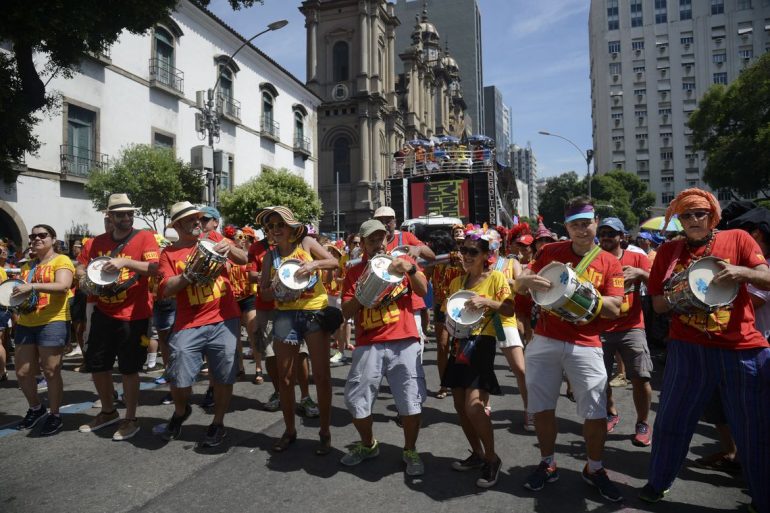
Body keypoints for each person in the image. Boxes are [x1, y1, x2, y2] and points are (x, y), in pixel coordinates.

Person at [640, 189, 770, 513]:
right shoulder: (669, 252)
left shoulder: (738, 239)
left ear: (712, 215)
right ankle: (658, 483)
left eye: (700, 213)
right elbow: (656, 304)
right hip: (688, 349)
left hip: (741, 348)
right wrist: (677, 297)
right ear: (679, 220)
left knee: (753, 429)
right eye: (687, 215)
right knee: (670, 420)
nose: (694, 219)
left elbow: (766, 277)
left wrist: (744, 273)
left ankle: (764, 498)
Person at [515, 196, 624, 502]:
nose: (581, 230)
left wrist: (581, 297)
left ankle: (594, 468)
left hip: (586, 343)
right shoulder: (550, 251)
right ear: (566, 226)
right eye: (575, 225)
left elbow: (616, 308)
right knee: (542, 407)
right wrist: (523, 282)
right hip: (546, 339)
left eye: (586, 224)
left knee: (595, 411)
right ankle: (548, 463)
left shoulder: (609, 261)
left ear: (596, 223)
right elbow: (525, 285)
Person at [340, 219, 429, 475]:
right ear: (363, 244)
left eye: (381, 239)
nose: (378, 244)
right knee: (356, 400)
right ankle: (368, 445)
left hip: (404, 339)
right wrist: (363, 293)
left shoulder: (405, 263)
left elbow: (423, 291)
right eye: (372, 240)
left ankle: (410, 450)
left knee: (410, 401)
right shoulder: (354, 272)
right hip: (369, 342)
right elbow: (345, 312)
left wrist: (409, 270)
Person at [155, 202, 242, 447]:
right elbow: (165, 290)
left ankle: (218, 423)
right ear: (178, 225)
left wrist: (230, 248)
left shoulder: (214, 239)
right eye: (192, 219)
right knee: (179, 377)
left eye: (199, 219)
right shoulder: (168, 254)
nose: (198, 223)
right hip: (189, 323)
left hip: (224, 318)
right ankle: (182, 411)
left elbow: (244, 259)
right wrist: (187, 275)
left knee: (224, 376)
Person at [76, 193, 160, 441]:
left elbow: (155, 269)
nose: (126, 217)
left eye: (129, 213)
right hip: (103, 311)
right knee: (97, 365)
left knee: (129, 368)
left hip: (135, 315)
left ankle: (131, 418)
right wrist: (82, 275)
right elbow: (81, 264)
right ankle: (108, 411)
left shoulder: (145, 237)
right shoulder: (95, 242)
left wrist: (125, 261)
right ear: (109, 216)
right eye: (120, 214)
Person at [257, 206, 339, 454]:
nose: (275, 229)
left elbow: (333, 261)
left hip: (314, 311)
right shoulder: (270, 256)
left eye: (279, 224)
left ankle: (324, 432)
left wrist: (313, 266)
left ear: (291, 227)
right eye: (270, 226)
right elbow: (263, 291)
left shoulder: (305, 242)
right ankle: (289, 430)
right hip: (285, 315)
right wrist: (274, 287)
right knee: (284, 378)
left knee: (322, 376)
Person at [442, 226, 514, 488]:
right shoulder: (456, 283)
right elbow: (448, 315)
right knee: (460, 406)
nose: (467, 255)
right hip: (459, 343)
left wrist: (487, 303)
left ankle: (492, 458)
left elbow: (508, 308)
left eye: (473, 251)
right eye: (464, 250)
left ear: (486, 254)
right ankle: (477, 454)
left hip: (482, 343)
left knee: (474, 405)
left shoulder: (495, 279)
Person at [12, 224, 75, 436]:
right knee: (22, 372)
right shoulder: (27, 266)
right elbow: (21, 295)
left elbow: (63, 286)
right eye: (33, 236)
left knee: (50, 371)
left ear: (53, 239)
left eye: (42, 235)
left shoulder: (61, 260)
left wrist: (34, 286)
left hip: (53, 321)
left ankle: (55, 414)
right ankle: (36, 408)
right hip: (27, 322)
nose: (37, 239)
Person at [596, 217, 654, 447]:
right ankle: (611, 412)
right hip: (601, 326)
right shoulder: (593, 258)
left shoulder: (637, 258)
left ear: (622, 237)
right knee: (600, 379)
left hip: (632, 326)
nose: (606, 237)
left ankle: (642, 423)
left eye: (612, 233)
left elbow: (658, 283)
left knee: (641, 377)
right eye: (603, 233)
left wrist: (640, 273)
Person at [373, 206, 436, 347]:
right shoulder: (372, 243)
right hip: (382, 304)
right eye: (380, 221)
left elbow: (431, 256)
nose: (384, 224)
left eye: (388, 220)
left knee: (412, 347)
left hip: (409, 303)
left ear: (394, 222)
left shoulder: (405, 236)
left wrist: (417, 248)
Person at [426, 230, 462, 399]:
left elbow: (471, 274)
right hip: (441, 307)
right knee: (442, 346)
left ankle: (461, 382)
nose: (429, 247)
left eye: (432, 244)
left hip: (459, 307)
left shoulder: (459, 256)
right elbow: (423, 278)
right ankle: (444, 385)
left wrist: (461, 263)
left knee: (460, 348)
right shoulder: (433, 261)